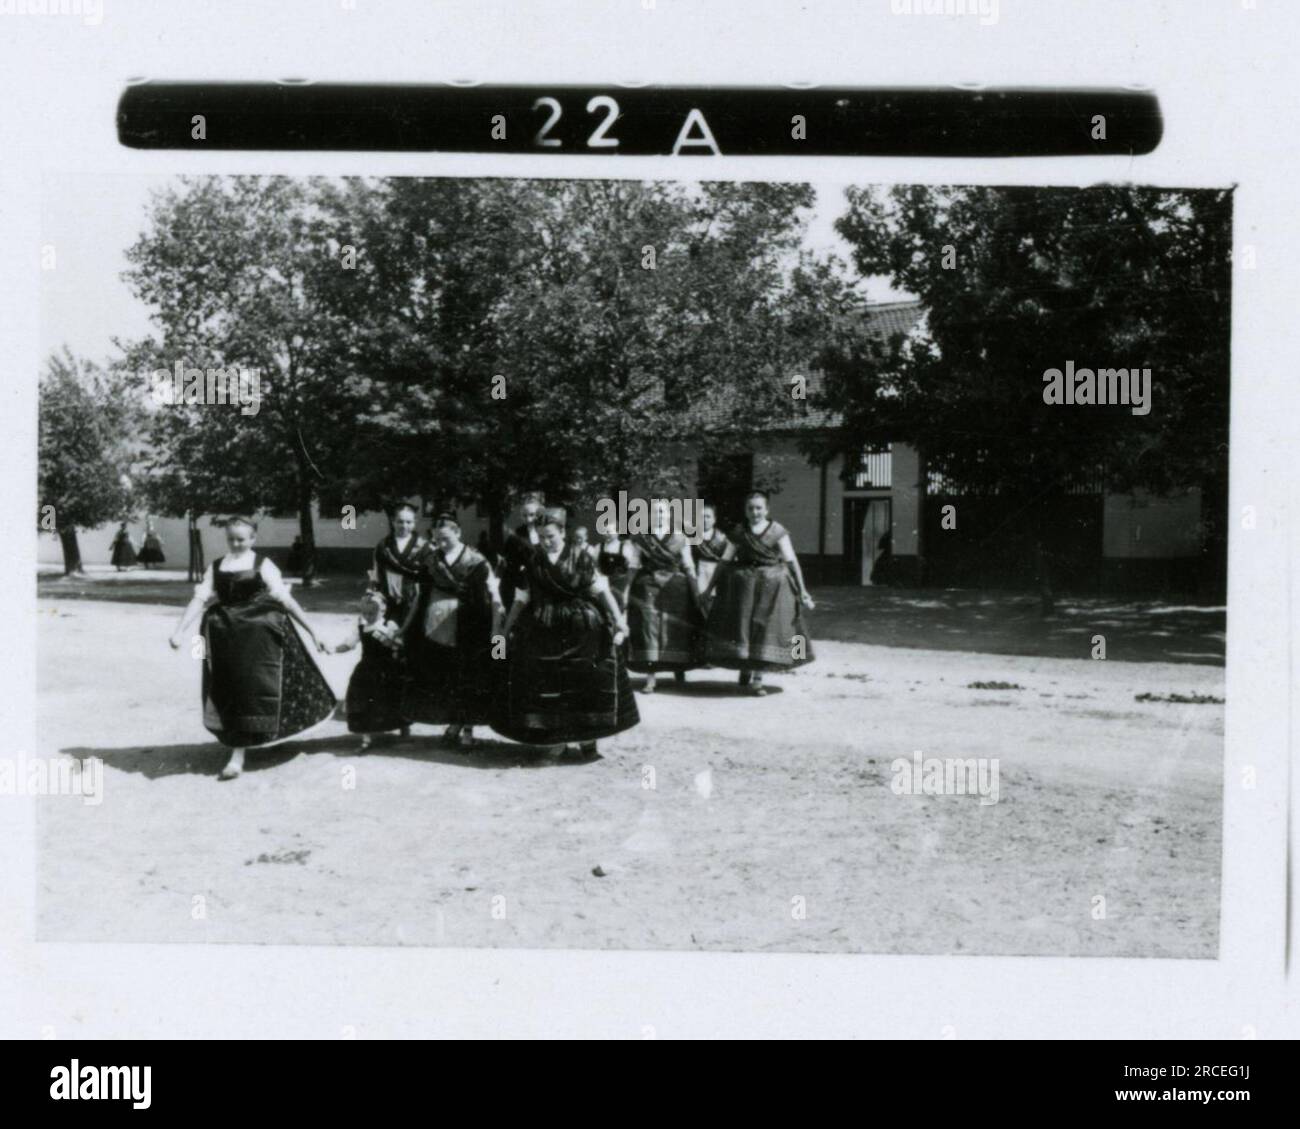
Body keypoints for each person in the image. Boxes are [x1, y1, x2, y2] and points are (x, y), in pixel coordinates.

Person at [168, 516, 335, 780]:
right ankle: (239, 752)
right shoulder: (216, 566)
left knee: (262, 688)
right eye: (231, 539)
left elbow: (285, 600)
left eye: (241, 539)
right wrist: (179, 631)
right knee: (233, 691)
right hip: (226, 638)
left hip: (261, 638)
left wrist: (315, 633)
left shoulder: (263, 564)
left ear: (253, 538)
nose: (235, 544)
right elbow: (199, 599)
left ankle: (242, 752)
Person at [492, 508, 638, 759]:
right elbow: (521, 599)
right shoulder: (533, 560)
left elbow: (601, 591)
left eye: (550, 536)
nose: (545, 542)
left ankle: (588, 740)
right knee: (547, 683)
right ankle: (554, 740)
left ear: (562, 532)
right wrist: (504, 633)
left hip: (580, 628)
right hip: (543, 627)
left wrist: (618, 620)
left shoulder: (581, 557)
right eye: (541, 537)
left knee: (584, 682)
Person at [402, 514, 504, 748]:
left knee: (469, 676)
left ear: (458, 533)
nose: (441, 543)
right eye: (437, 539)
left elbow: (493, 594)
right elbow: (421, 594)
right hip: (438, 629)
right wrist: (409, 626)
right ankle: (453, 723)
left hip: (471, 625)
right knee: (448, 677)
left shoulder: (476, 561)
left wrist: (496, 629)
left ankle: (467, 729)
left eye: (446, 538)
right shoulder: (431, 561)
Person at [703, 491, 817, 696]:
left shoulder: (778, 531)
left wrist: (802, 590)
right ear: (745, 510)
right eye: (750, 508)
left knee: (765, 630)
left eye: (759, 508)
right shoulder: (739, 532)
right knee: (743, 630)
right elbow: (725, 561)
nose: (754, 512)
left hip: (772, 586)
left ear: (767, 509)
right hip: (743, 588)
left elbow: (791, 562)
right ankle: (745, 667)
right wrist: (709, 588)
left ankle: (758, 678)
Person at [624, 498, 703, 693]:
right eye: (654, 512)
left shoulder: (681, 538)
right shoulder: (641, 538)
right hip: (648, 584)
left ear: (669, 515)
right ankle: (651, 677)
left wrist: (696, 591)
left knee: (674, 628)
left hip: (675, 587)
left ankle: (678, 667)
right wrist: (626, 590)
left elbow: (689, 566)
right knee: (648, 627)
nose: (658, 516)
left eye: (662, 512)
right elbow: (634, 566)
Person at [330, 590, 407, 749]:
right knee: (361, 699)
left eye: (372, 613)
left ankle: (403, 726)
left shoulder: (389, 625)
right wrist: (333, 649)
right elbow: (349, 644)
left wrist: (389, 640)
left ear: (383, 610)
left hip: (386, 668)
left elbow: (400, 644)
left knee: (391, 698)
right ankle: (366, 737)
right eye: (365, 613)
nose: (368, 616)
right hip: (366, 668)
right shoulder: (362, 626)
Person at [369, 502, 427, 639]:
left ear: (415, 522)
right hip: (389, 604)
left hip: (415, 605)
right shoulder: (383, 546)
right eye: (400, 521)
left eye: (408, 522)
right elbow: (376, 576)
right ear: (393, 521)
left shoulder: (425, 547)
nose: (404, 526)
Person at [498, 491, 546, 612]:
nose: (528, 519)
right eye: (524, 515)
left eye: (532, 515)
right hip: (526, 584)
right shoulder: (516, 536)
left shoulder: (547, 532)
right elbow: (509, 564)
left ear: (539, 513)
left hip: (546, 581)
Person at [690, 503, 730, 610]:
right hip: (698, 574)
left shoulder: (722, 538)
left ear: (714, 519)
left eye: (708, 517)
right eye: (702, 517)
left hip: (716, 575)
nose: (705, 520)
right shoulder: (693, 537)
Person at [595, 528, 631, 610]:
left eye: (609, 532)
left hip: (619, 583)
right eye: (604, 532)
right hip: (602, 581)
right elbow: (595, 564)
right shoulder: (599, 547)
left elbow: (628, 567)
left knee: (617, 605)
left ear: (617, 533)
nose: (606, 534)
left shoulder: (625, 548)